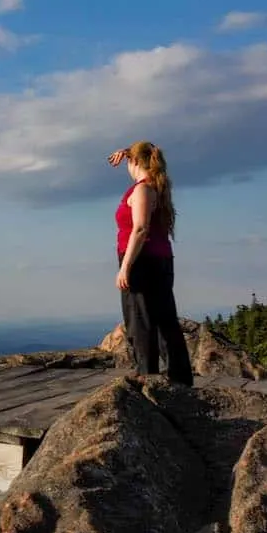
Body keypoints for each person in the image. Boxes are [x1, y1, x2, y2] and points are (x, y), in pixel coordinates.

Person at [107, 141, 193, 386]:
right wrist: (128, 152)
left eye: (129, 160)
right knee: (164, 318)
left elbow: (141, 229)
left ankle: (148, 376)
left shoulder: (143, 189)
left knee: (140, 320)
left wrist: (125, 267)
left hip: (141, 260)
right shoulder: (156, 186)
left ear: (135, 162)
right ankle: (180, 379)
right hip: (158, 260)